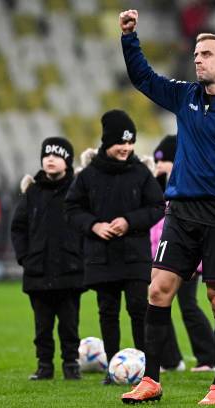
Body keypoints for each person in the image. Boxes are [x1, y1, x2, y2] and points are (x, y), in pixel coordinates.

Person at [118, 9, 215, 405]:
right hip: (181, 212)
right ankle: (151, 380)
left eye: (205, 53)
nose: (197, 58)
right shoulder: (186, 96)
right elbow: (143, 79)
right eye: (196, 53)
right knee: (158, 291)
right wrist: (130, 37)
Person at [64, 110, 165, 384]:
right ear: (107, 141)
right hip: (101, 255)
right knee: (107, 311)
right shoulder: (88, 175)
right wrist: (94, 225)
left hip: (134, 254)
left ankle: (147, 369)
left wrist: (129, 221)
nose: (127, 148)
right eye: (122, 142)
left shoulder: (141, 172)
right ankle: (113, 369)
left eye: (131, 142)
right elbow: (71, 208)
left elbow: (157, 207)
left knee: (138, 308)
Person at [10, 137, 84, 381]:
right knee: (42, 326)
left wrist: (82, 256)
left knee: (69, 324)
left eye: (57, 155)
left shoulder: (78, 190)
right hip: (38, 271)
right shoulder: (32, 192)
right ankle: (44, 366)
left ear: (68, 161)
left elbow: (88, 224)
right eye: (47, 155)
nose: (50, 159)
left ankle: (71, 365)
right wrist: (24, 258)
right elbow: (18, 227)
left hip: (70, 269)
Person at [151, 135, 215, 373]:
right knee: (159, 302)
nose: (158, 167)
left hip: (187, 258)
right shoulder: (157, 188)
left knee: (188, 305)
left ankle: (208, 357)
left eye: (163, 161)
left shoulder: (185, 188)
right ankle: (170, 359)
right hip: (163, 259)